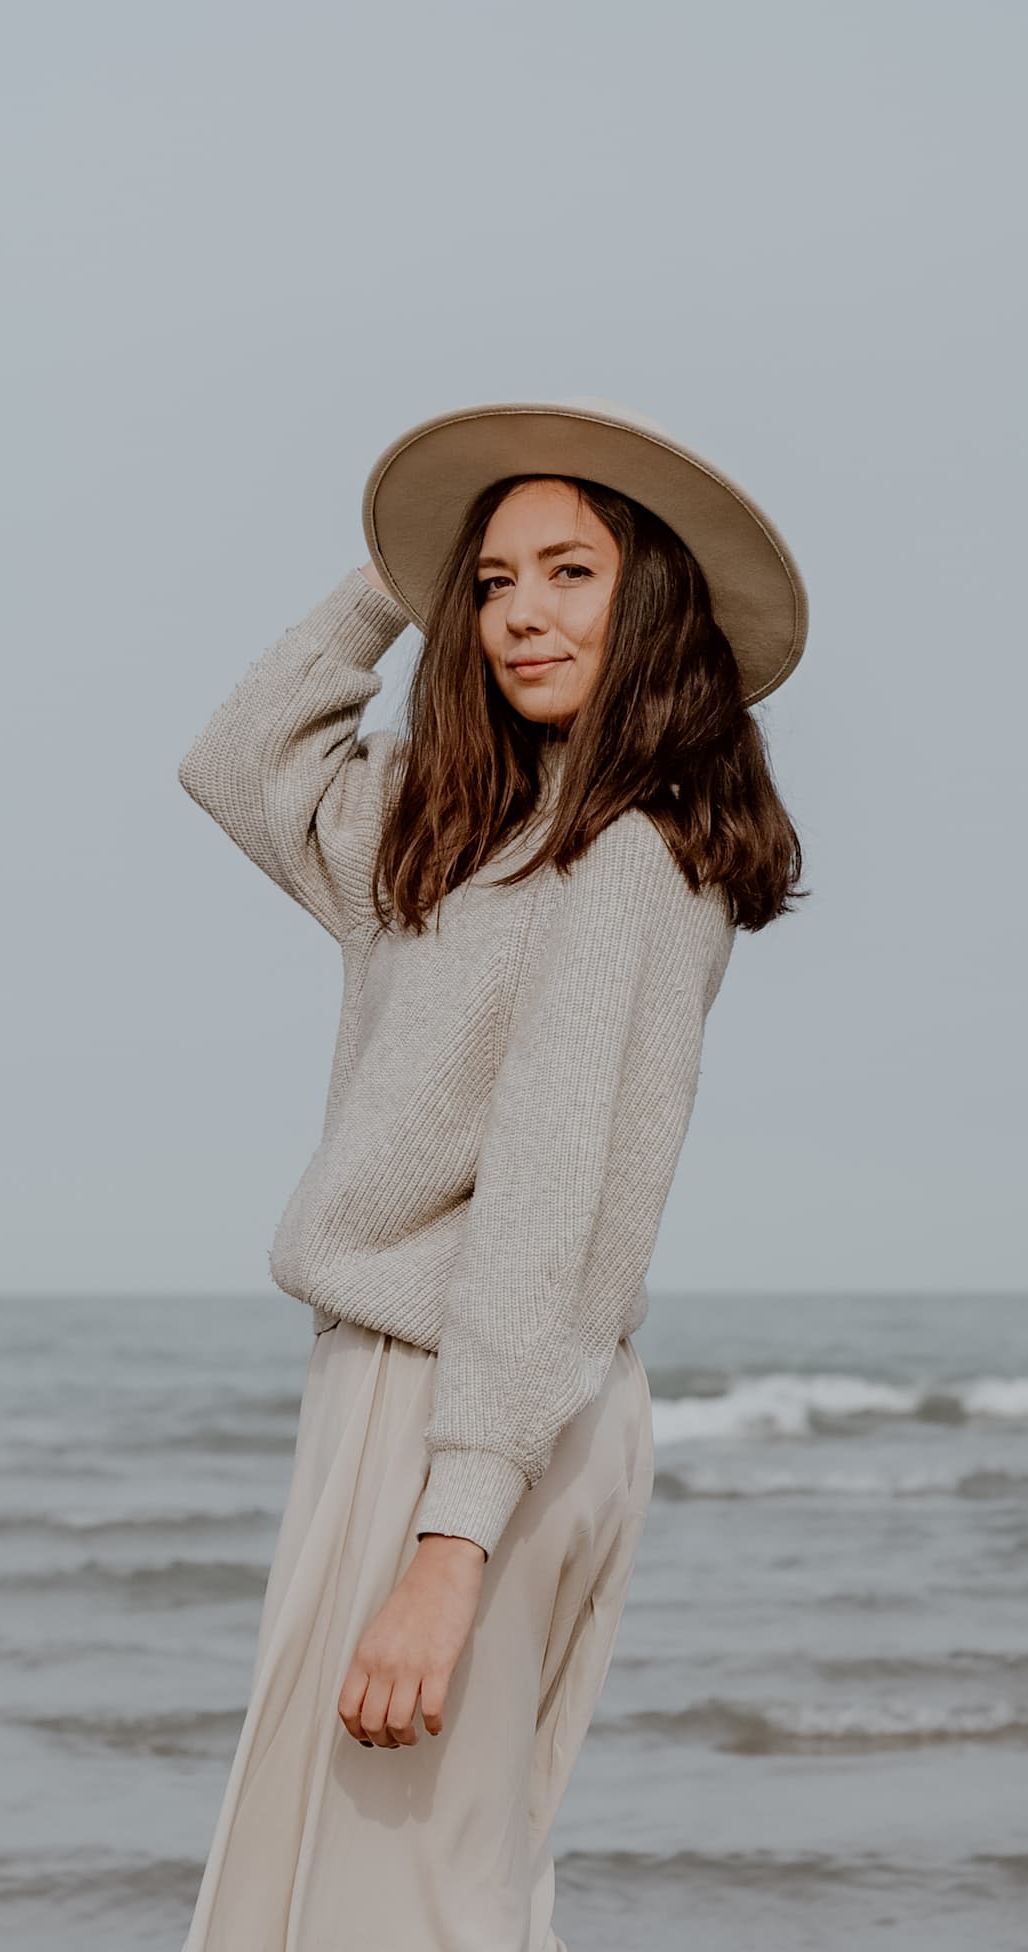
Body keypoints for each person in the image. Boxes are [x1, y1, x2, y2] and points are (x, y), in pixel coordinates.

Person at [175, 397, 808, 1951]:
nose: (520, 611)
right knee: (367, 1884)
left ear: (653, 601)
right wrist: (394, 576)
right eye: (492, 578)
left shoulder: (633, 863)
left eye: (571, 572)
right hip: (423, 1392)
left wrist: (449, 1545)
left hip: (475, 1402)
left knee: (406, 1897)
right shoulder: (443, 832)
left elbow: (550, 1207)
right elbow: (237, 756)